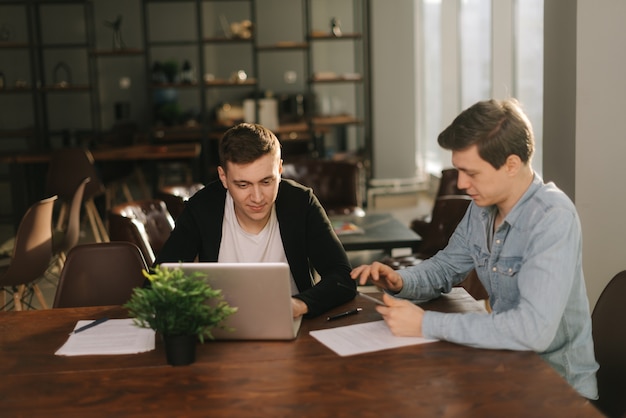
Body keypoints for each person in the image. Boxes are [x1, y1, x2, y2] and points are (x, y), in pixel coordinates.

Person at [351, 98, 598, 399]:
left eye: (472, 173)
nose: (460, 183)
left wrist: (426, 324)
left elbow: (533, 330)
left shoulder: (552, 218)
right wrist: (401, 280)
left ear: (511, 164)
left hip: (556, 386)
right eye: (457, 170)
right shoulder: (482, 208)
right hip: (505, 365)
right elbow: (445, 267)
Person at [155, 122, 355, 318]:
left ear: (279, 169)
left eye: (266, 182)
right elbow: (157, 282)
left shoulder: (301, 202)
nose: (258, 197)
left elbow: (342, 278)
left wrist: (298, 305)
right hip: (220, 328)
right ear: (223, 177)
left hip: (293, 323)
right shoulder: (202, 207)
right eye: (243, 185)